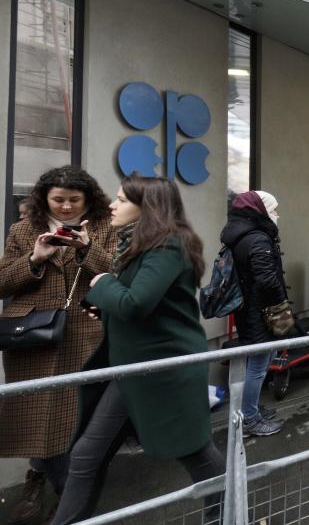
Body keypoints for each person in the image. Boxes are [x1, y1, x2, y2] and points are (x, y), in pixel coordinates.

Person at [51, 175, 225, 524]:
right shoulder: (138, 244)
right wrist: (106, 303)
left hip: (164, 372)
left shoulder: (168, 245)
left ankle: (228, 513)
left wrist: (102, 285)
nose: (112, 206)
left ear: (148, 208)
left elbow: (135, 303)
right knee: (86, 455)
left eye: (121, 200)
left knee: (196, 453)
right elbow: (138, 303)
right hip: (132, 369)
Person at [0, 167, 116, 525]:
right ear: (44, 199)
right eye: (58, 200)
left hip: (86, 332)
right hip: (32, 336)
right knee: (36, 416)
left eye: (74, 200)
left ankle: (68, 498)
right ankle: (51, 485)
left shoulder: (103, 229)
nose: (66, 207)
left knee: (74, 418)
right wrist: (34, 259)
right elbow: (3, 281)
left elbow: (117, 271)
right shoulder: (23, 230)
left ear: (88, 199)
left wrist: (86, 249)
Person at [220, 190, 287, 437]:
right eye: (274, 209)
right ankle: (249, 418)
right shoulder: (258, 239)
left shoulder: (240, 236)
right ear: (262, 210)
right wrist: (282, 307)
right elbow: (267, 280)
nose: (277, 214)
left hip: (248, 310)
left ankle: (253, 409)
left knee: (262, 360)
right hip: (261, 313)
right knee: (258, 364)